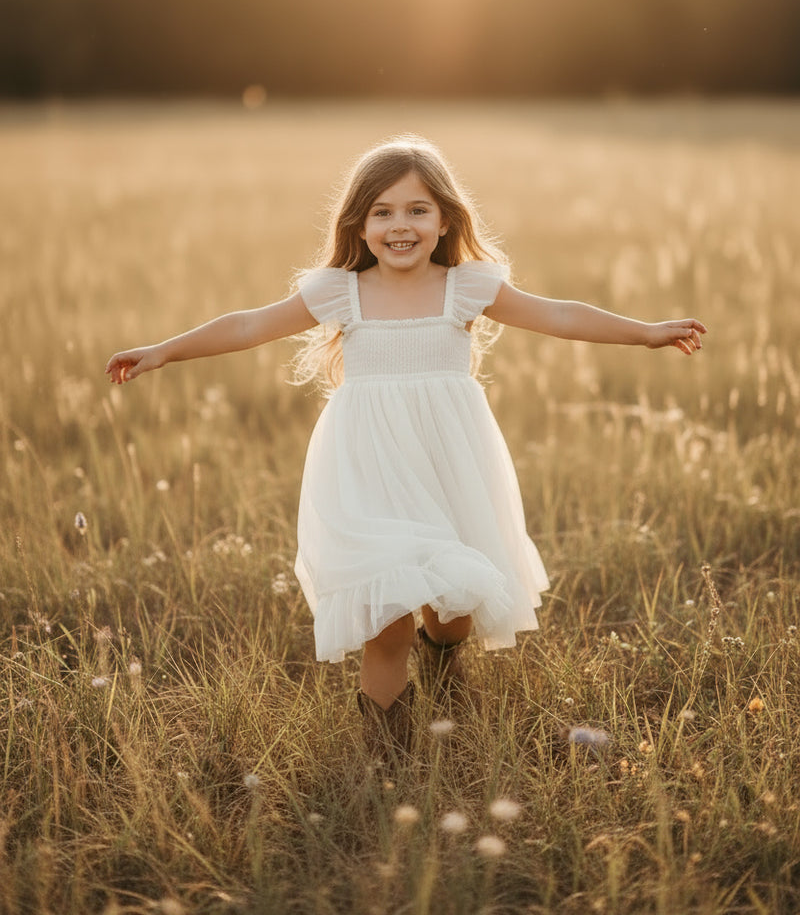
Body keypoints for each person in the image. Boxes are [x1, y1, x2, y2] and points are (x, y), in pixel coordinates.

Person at [105, 135, 706, 765]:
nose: (401, 225)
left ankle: (443, 660)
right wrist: (164, 350)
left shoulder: (466, 286)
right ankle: (387, 758)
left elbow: (558, 314)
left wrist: (645, 334)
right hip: (365, 468)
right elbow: (250, 323)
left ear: (444, 219)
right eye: (383, 212)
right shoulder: (340, 292)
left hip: (450, 463)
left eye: (417, 210)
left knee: (453, 613)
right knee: (386, 615)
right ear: (359, 226)